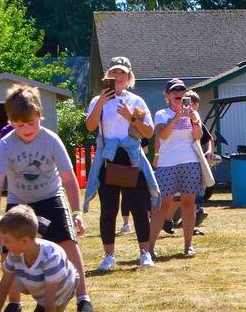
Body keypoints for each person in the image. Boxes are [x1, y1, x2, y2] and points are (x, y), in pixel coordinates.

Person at [0, 84, 95, 312]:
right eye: (19, 125)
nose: (26, 129)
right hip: (19, 202)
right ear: (10, 122)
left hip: (50, 197)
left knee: (68, 243)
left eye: (31, 123)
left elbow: (69, 178)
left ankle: (83, 298)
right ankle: (14, 302)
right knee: (8, 249)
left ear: (40, 116)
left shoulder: (51, 140)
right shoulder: (6, 144)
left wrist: (77, 212)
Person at [84, 58, 159, 270]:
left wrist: (130, 117)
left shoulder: (136, 101)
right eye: (114, 72)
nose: (117, 77)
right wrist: (101, 102)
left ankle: (144, 253)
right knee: (108, 209)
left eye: (122, 73)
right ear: (107, 75)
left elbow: (149, 132)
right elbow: (90, 126)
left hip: (131, 157)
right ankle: (109, 256)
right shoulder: (97, 100)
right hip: (108, 157)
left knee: (139, 207)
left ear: (129, 77)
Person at [0, 205, 79, 312]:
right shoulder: (15, 253)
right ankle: (41, 306)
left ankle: (45, 311)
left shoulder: (51, 258)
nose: (3, 244)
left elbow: (50, 297)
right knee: (10, 276)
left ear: (24, 241)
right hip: (41, 285)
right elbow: (5, 284)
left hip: (61, 290)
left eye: (7, 240)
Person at [152, 79, 205, 258]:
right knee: (163, 205)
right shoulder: (161, 114)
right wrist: (176, 117)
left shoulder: (193, 113)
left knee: (189, 204)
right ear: (167, 95)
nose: (179, 94)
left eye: (182, 91)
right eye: (174, 91)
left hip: (190, 162)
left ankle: (188, 246)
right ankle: (150, 248)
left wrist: (194, 120)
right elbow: (163, 135)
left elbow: (198, 136)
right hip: (167, 163)